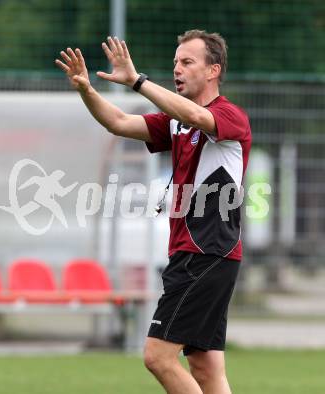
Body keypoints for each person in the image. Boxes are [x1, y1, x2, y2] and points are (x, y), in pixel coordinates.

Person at [55, 29, 251, 394]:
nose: (177, 68)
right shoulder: (176, 123)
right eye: (175, 62)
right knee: (206, 369)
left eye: (187, 62)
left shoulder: (229, 115)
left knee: (157, 357)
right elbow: (119, 122)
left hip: (205, 252)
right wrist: (86, 89)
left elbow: (196, 114)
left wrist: (136, 80)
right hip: (199, 254)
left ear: (213, 71)